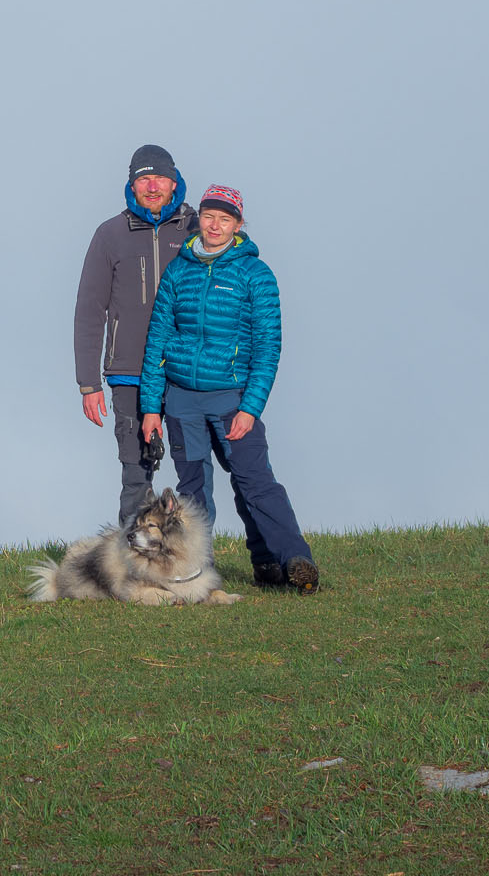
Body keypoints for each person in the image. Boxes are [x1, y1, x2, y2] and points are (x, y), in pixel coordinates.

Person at [138, 185, 320, 593]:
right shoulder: (178, 270)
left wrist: (250, 408)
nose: (214, 225)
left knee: (255, 481)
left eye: (225, 219)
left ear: (238, 225)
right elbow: (158, 340)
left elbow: (267, 348)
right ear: (198, 218)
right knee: (193, 493)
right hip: (181, 402)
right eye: (208, 216)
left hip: (232, 400)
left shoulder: (256, 274)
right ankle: (199, 573)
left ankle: (291, 561)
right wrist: (152, 407)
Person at [73, 145, 198, 526]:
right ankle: (129, 566)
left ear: (174, 181)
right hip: (129, 371)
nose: (153, 186)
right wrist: (88, 383)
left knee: (193, 471)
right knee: (136, 476)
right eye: (144, 179)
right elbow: (89, 310)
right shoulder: (110, 234)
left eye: (159, 177)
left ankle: (193, 562)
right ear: (132, 185)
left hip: (184, 369)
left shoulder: (195, 230)